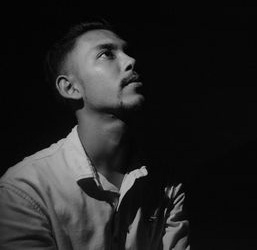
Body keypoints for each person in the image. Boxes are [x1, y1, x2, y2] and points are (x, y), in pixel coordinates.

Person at [0, 21, 190, 250]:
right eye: (106, 54)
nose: (130, 61)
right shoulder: (26, 190)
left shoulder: (165, 184)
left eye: (126, 51)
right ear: (71, 88)